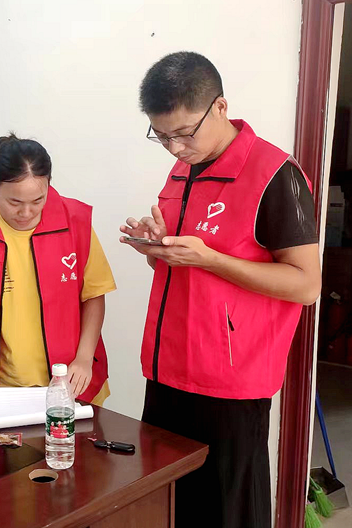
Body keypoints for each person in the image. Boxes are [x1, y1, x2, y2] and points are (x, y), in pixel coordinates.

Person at [121, 52, 322, 528]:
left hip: (231, 380)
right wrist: (158, 247)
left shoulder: (275, 174)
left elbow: (305, 285)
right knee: (169, 502)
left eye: (184, 133)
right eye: (161, 136)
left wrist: (209, 258)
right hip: (167, 367)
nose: (174, 148)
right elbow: (183, 266)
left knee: (226, 509)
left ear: (220, 107)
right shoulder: (182, 168)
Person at [0, 134, 115, 404]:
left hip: (69, 379)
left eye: (37, 200)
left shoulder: (75, 224)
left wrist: (84, 358)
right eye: (14, 202)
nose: (26, 212)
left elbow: (94, 297)